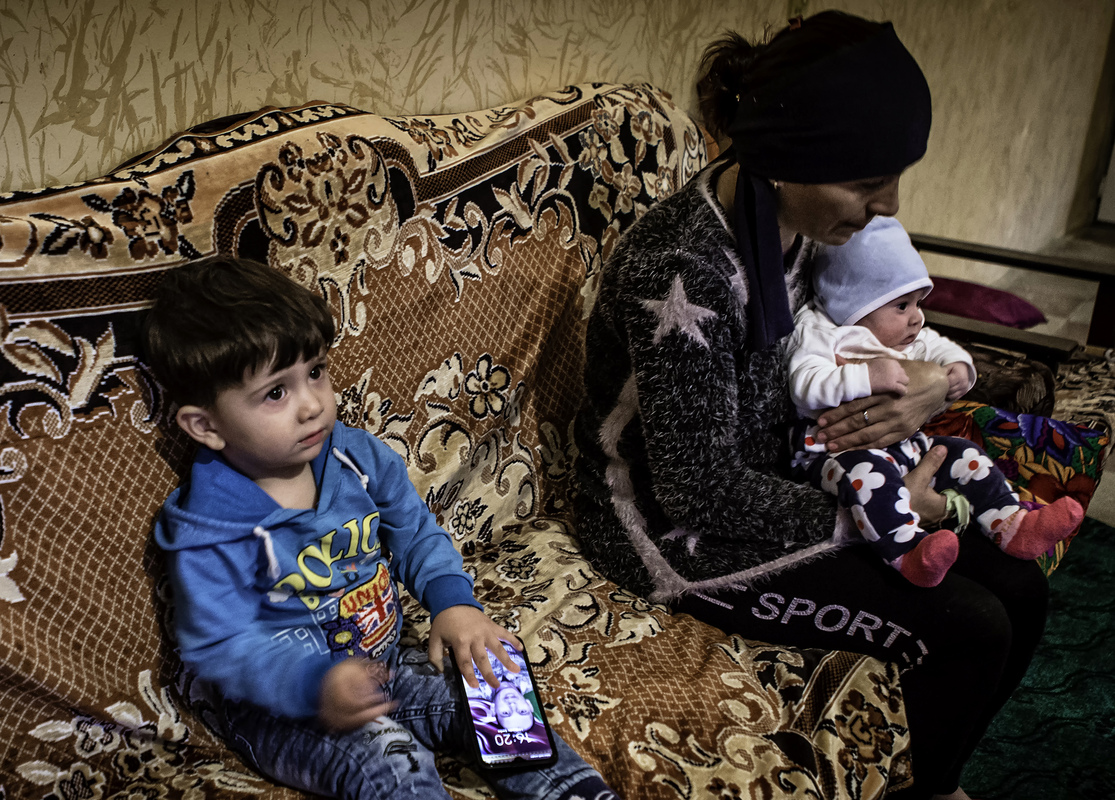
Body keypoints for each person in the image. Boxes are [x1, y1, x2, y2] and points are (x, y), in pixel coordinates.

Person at [573, 10, 1052, 800]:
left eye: (894, 175)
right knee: (970, 624)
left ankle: (938, 780)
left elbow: (880, 326)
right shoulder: (682, 270)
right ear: (782, 160)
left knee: (1022, 585)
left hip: (790, 473)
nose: (887, 204)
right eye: (864, 183)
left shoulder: (807, 222)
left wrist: (931, 385)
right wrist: (886, 510)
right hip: (668, 532)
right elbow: (696, 490)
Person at [142, 255, 617, 800]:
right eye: (276, 392)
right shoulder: (209, 528)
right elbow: (223, 645)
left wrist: (453, 603)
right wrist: (314, 686)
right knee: (392, 758)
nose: (312, 405)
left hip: (386, 663)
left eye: (315, 372)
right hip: (289, 709)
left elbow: (413, 532)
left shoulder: (355, 456)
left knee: (495, 690)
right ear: (206, 426)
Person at [788, 216, 1083, 587]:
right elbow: (804, 384)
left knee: (964, 454)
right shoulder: (820, 330)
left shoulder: (902, 335)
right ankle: (909, 552)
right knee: (870, 477)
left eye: (918, 303)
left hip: (905, 445)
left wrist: (958, 369)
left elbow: (938, 346)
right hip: (833, 452)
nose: (917, 318)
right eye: (902, 306)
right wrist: (866, 376)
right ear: (855, 302)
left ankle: (1013, 524)